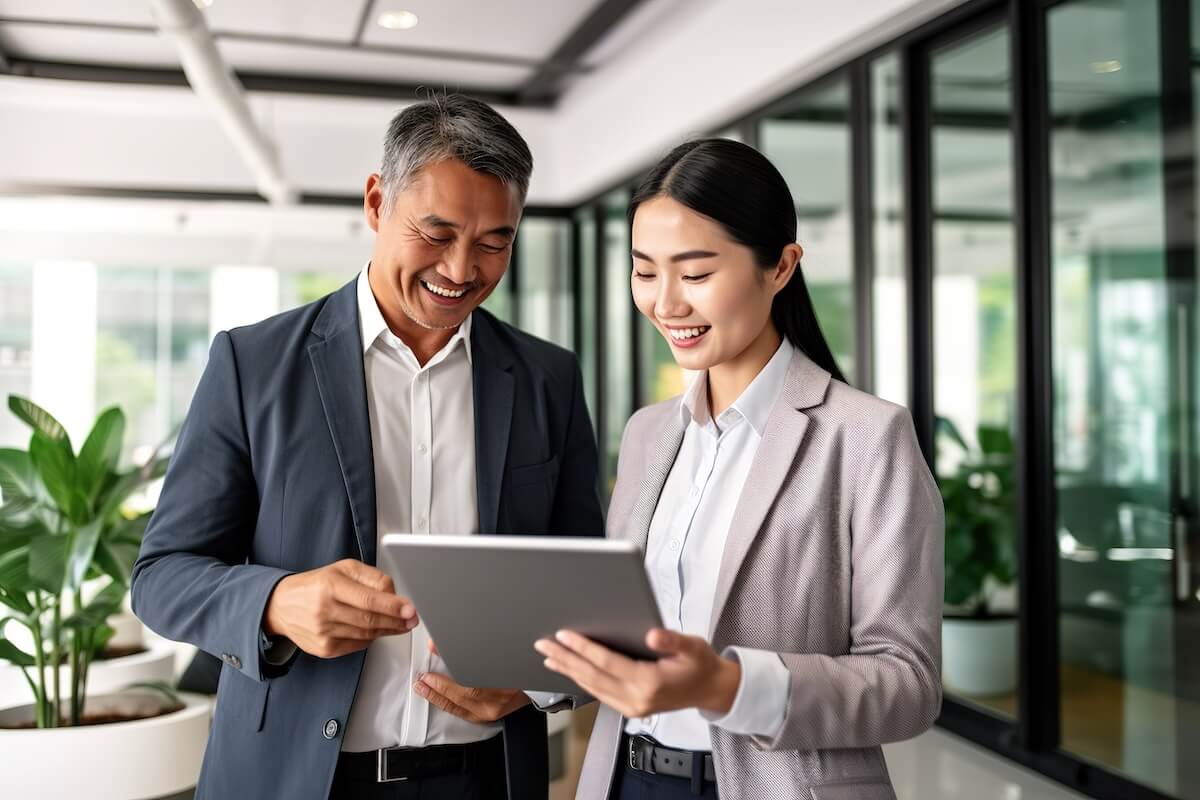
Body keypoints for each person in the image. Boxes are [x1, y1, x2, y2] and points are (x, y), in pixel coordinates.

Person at [131, 94, 605, 800]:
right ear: (378, 203)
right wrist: (275, 602)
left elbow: (584, 588)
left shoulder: (548, 379)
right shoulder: (253, 363)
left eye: (494, 243)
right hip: (295, 779)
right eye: (436, 231)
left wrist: (534, 684)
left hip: (485, 781)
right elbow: (161, 576)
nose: (461, 268)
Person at [535, 138, 944, 799]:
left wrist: (725, 685)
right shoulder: (647, 434)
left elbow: (910, 685)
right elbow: (622, 631)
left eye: (695, 274)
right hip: (627, 778)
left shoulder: (867, 436)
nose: (666, 303)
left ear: (780, 268)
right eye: (645, 272)